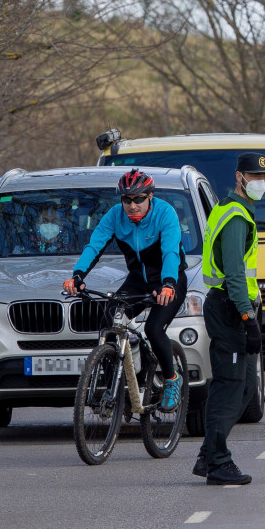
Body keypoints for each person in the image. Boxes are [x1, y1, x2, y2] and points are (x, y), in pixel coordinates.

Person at [63, 169, 188, 413]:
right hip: (138, 281)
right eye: (126, 200)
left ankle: (172, 380)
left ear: (150, 196)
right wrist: (77, 276)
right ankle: (115, 386)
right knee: (109, 321)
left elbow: (171, 252)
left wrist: (169, 283)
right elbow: (94, 245)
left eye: (138, 199)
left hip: (168, 280)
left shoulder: (165, 213)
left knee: (153, 328)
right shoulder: (114, 216)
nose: (132, 205)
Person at [192, 152, 265, 485]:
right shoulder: (236, 217)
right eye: (256, 177)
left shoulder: (231, 210)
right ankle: (218, 462)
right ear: (240, 177)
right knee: (230, 386)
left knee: (243, 389)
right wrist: (247, 316)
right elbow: (235, 272)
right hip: (230, 308)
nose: (262, 183)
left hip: (232, 306)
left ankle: (207, 455)